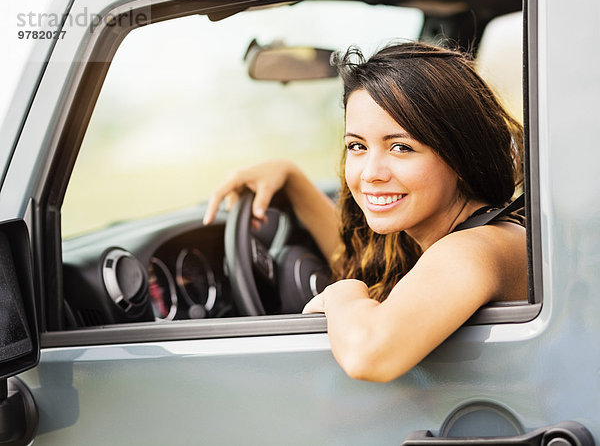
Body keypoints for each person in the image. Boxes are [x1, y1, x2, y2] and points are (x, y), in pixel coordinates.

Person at [202, 42, 526, 382]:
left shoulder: (475, 249)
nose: (371, 172)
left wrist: (339, 292)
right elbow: (362, 257)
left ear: (460, 155)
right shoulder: (450, 230)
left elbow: (369, 354)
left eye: (401, 147)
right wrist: (293, 180)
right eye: (358, 146)